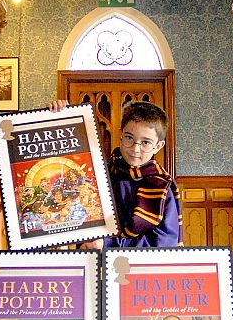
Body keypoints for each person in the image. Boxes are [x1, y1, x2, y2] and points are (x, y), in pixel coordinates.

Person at [48, 100, 183, 248]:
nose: (135, 149)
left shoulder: (160, 186)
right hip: (92, 257)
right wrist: (60, 116)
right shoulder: (100, 174)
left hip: (137, 262)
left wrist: (109, 244)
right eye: (129, 138)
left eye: (145, 142)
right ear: (121, 134)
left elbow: (164, 243)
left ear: (158, 146)